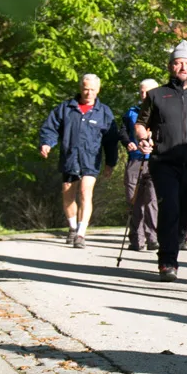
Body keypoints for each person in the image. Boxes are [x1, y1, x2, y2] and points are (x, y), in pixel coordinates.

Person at [136, 41, 187, 281]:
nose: (183, 67)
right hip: (164, 161)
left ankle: (176, 240)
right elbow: (141, 123)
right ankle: (167, 261)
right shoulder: (156, 95)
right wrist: (143, 138)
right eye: (178, 63)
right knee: (169, 207)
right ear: (170, 66)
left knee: (186, 212)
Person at [38, 73, 121, 249]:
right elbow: (50, 127)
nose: (89, 93)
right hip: (70, 157)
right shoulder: (66, 108)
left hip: (91, 159)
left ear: (98, 90)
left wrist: (110, 163)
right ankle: (73, 228)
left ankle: (81, 234)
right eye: (85, 89)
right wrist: (47, 143)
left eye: (92, 89)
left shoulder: (104, 112)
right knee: (68, 193)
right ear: (80, 88)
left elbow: (111, 140)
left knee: (85, 191)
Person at [123, 79, 161, 251]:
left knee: (152, 199)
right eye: (141, 92)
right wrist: (127, 142)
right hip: (135, 159)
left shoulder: (162, 112)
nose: (144, 95)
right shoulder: (132, 112)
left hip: (155, 160)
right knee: (134, 199)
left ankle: (152, 237)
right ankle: (136, 239)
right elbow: (123, 131)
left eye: (148, 92)